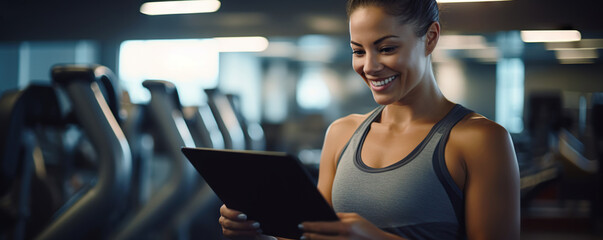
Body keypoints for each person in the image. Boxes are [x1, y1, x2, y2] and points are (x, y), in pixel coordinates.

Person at [218, 0, 520, 239]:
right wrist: (256, 235)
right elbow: (310, 236)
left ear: (430, 38)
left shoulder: (480, 139)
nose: (370, 66)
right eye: (358, 51)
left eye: (387, 48)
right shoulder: (341, 133)